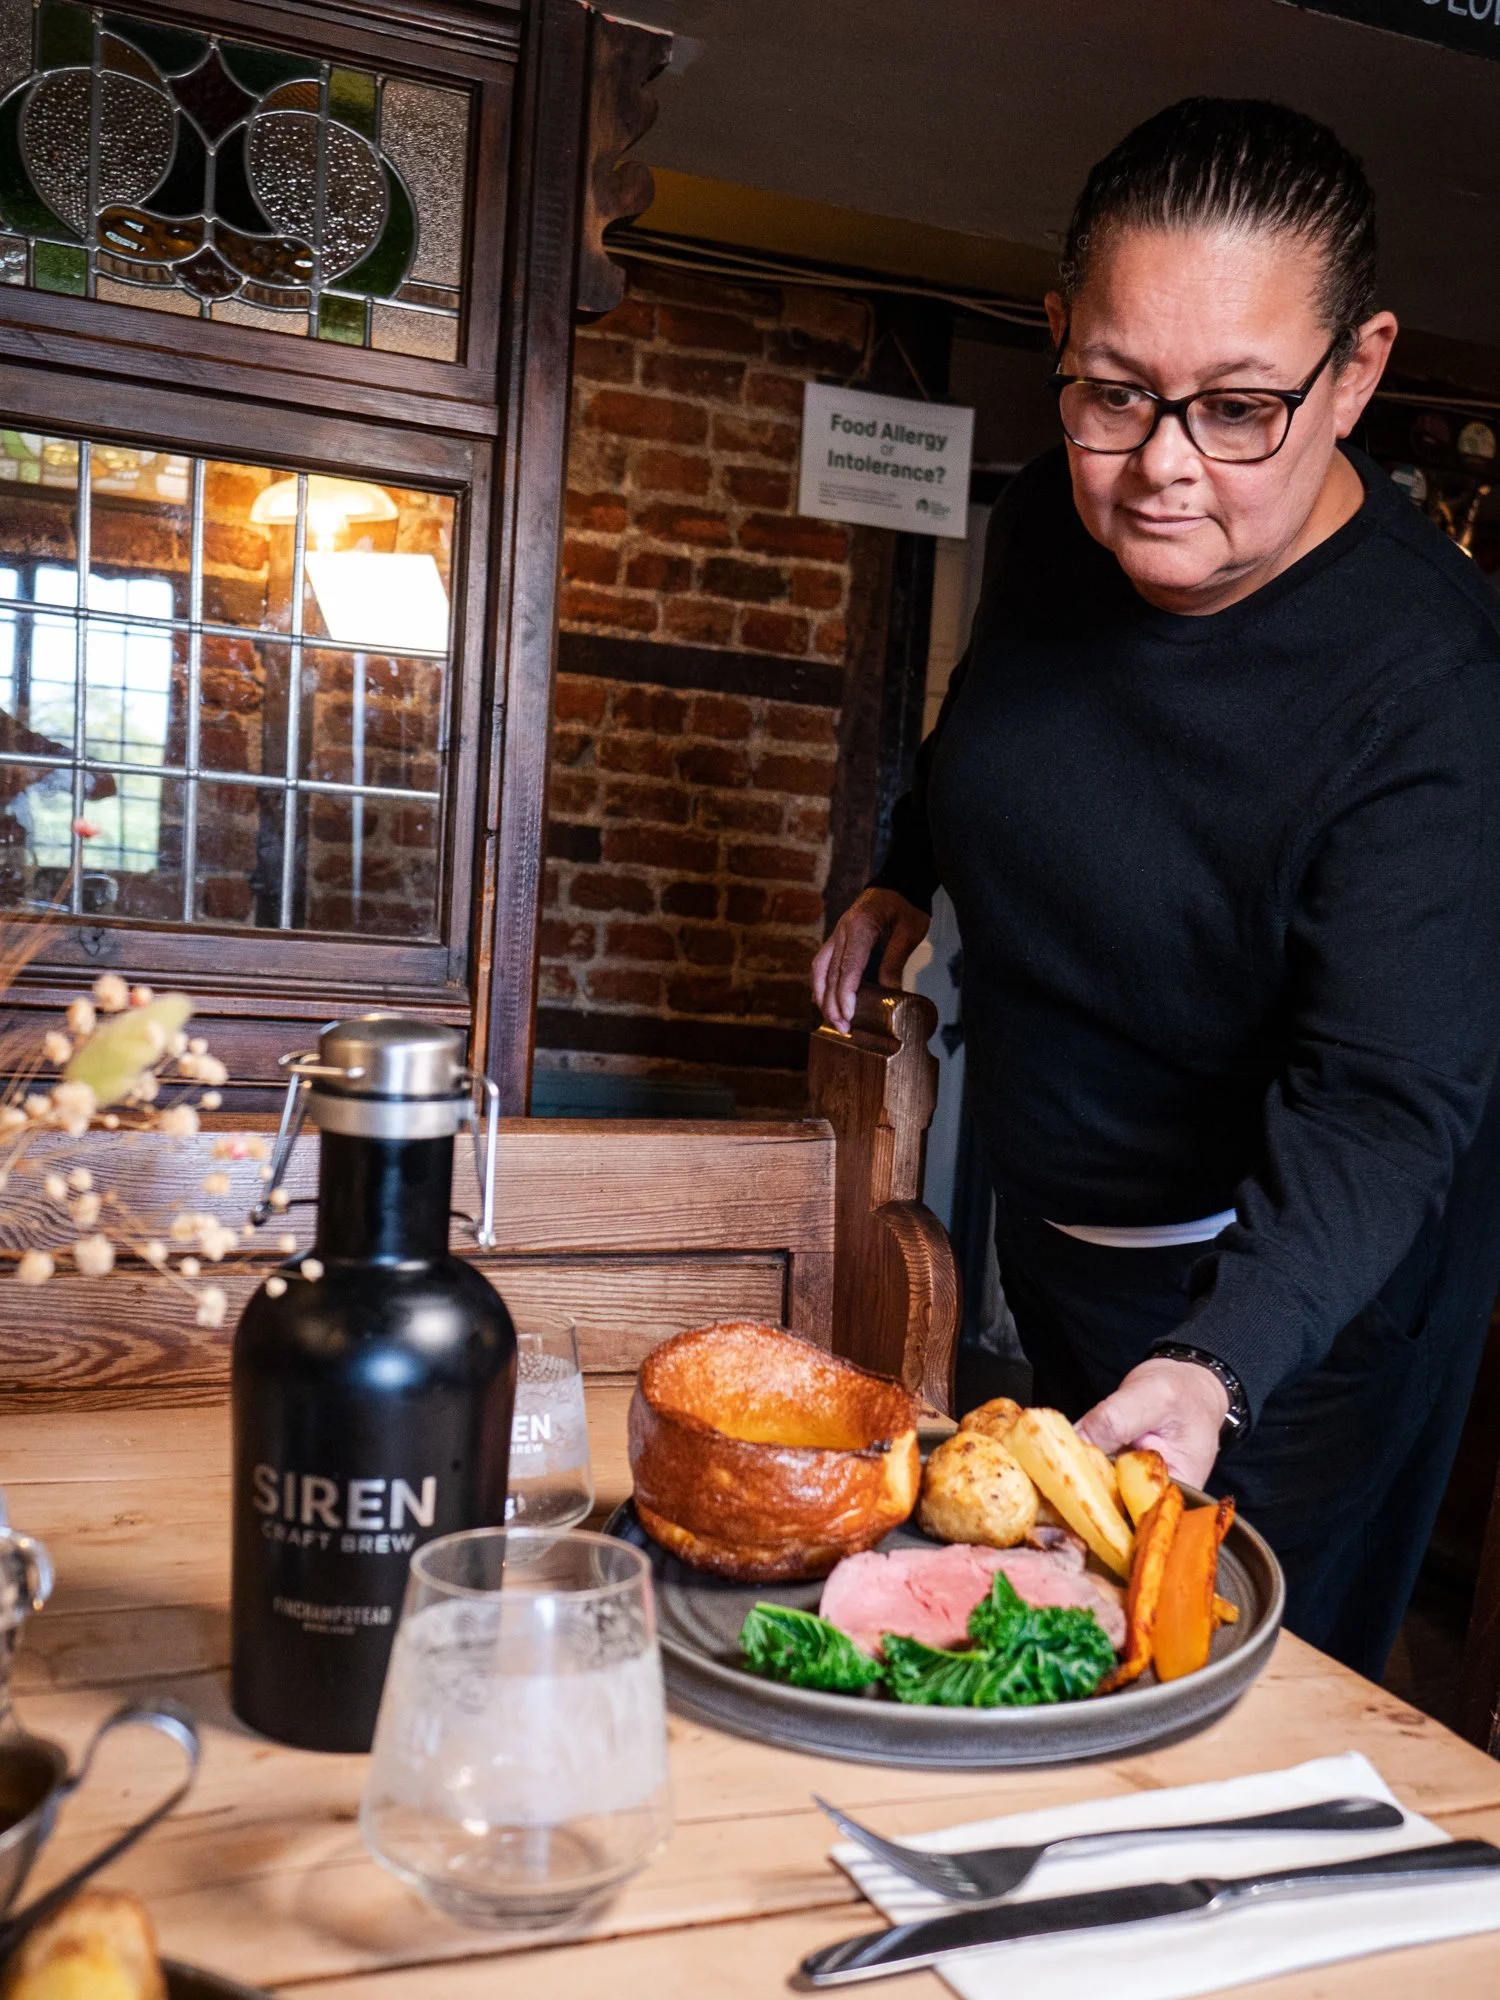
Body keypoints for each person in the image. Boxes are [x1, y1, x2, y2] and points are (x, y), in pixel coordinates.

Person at [811, 97, 1500, 1681]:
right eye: (1117, 394)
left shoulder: (1435, 691)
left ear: (1361, 371)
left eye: (1242, 407)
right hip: (1065, 1233)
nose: (1163, 474)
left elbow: (1387, 1105)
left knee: (1209, 1711)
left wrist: (1214, 1365)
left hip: (1291, 1310)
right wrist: (912, 869)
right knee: (1042, 1656)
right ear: (1061, 338)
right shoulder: (1057, 510)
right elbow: (998, 709)